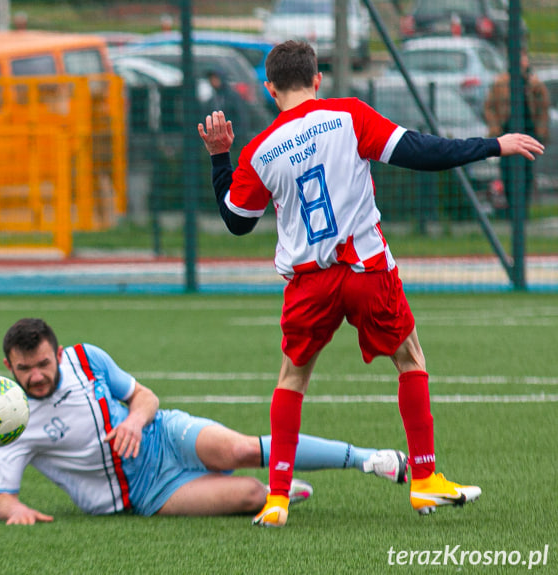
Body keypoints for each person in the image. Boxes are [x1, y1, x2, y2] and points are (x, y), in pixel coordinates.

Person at [197, 40, 544, 528]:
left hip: (308, 283)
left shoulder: (258, 150)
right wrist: (493, 145)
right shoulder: (347, 116)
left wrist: (220, 158)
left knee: (291, 378)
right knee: (410, 358)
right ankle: (424, 481)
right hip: (365, 269)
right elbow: (422, 152)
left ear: (269, 88)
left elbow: (236, 222)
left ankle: (276, 498)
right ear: (318, 79)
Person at [0, 318, 409, 525]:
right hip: (146, 492)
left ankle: (369, 459)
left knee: (240, 449)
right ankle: (275, 489)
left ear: (58, 352)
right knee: (249, 496)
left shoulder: (85, 358)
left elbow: (144, 397)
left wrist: (136, 421)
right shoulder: (11, 423)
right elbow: (2, 497)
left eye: (44, 363)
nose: (37, 375)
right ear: (9, 365)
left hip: (163, 434)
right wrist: (16, 510)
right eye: (26, 369)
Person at [483, 47, 551, 219]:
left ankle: (523, 211)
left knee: (526, 172)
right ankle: (512, 209)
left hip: (528, 132)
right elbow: (489, 107)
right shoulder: (501, 83)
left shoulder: (534, 84)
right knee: (507, 171)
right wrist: (495, 128)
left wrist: (541, 130)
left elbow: (543, 108)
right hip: (507, 133)